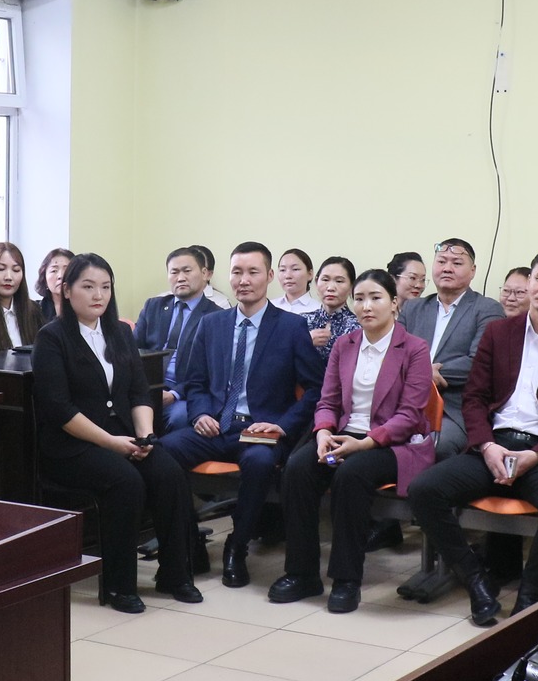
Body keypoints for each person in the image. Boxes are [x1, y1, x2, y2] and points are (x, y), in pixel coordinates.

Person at [408, 251, 538, 628]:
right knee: (425, 490)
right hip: (494, 445)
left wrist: (537, 455)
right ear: (529, 282)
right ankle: (475, 580)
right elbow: (474, 398)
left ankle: (529, 594)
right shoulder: (499, 333)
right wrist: (486, 446)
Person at [32, 254, 200, 614]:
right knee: (126, 482)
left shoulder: (120, 332)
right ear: (67, 290)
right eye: (88, 286)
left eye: (105, 287)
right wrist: (112, 443)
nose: (99, 295)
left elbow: (140, 392)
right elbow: (60, 409)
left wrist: (146, 437)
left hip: (124, 436)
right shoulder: (52, 338)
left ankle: (174, 575)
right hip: (72, 445)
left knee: (169, 473)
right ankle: (118, 586)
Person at [161, 241, 326, 588]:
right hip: (216, 425)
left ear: (269, 276)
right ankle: (191, 541)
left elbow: (315, 389)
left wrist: (281, 426)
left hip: (260, 430)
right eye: (237, 272)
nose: (244, 280)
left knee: (260, 463)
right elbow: (196, 381)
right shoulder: (212, 324)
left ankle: (237, 546)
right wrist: (199, 414)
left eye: (253, 272)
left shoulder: (291, 327)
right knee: (162, 454)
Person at [272, 269, 434, 614]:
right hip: (343, 435)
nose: (366, 306)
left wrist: (366, 442)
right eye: (359, 299)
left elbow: (409, 415)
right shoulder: (344, 345)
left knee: (350, 474)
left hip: (393, 443)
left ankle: (347, 579)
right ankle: (301, 573)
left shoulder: (415, 349)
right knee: (298, 468)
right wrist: (322, 433)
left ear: (394, 303)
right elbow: (327, 401)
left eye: (375, 298)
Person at [398, 237, 497, 459]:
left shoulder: (487, 309)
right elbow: (395, 355)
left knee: (438, 445)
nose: (447, 268)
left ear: (473, 271)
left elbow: (478, 362)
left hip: (453, 408)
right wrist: (424, 373)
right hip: (406, 401)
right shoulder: (413, 308)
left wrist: (421, 373)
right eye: (441, 261)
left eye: (457, 263)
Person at [134, 246, 214, 431]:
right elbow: (133, 350)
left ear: (204, 273)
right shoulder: (153, 306)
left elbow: (210, 372)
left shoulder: (215, 316)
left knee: (179, 417)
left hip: (183, 393)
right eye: (174, 272)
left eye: (187, 271)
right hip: (146, 386)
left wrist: (175, 394)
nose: (180, 278)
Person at [305, 255, 359, 353]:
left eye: (339, 281)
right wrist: (305, 341)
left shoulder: (358, 328)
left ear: (352, 286)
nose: (330, 288)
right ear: (316, 282)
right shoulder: (302, 321)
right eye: (325, 280)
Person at [273, 248, 320, 316]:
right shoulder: (269, 307)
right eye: (282, 270)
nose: (288, 276)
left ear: (310, 274)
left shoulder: (318, 310)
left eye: (295, 269)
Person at [33, 247, 74, 322]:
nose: (60, 276)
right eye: (54, 271)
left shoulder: (85, 309)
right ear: (44, 279)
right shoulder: (34, 311)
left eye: (67, 270)